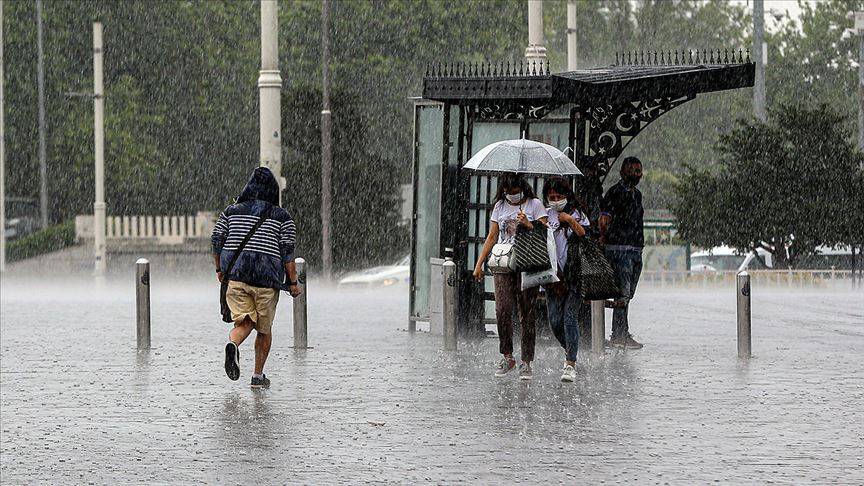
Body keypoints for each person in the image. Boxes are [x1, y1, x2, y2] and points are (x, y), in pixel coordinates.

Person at [211, 167, 301, 389]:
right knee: (264, 329)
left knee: (245, 321)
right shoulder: (282, 217)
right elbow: (287, 252)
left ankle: (233, 343)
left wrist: (220, 269)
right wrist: (293, 282)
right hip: (267, 281)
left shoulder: (231, 212)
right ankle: (258, 377)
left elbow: (216, 240)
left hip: (237, 277)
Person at [472, 172, 548, 381]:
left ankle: (526, 360)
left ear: (521, 188)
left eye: (514, 191)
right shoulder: (499, 206)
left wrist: (529, 224)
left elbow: (545, 233)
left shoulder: (534, 205)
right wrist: (479, 263)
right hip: (504, 263)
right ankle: (507, 356)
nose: (511, 195)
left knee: (526, 312)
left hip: (527, 263)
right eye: (507, 191)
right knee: (502, 309)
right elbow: (492, 235)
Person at [542, 177, 590, 382]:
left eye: (558, 196)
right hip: (554, 276)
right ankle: (571, 348)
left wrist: (569, 220)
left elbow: (584, 233)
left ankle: (570, 363)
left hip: (574, 275)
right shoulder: (545, 214)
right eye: (551, 197)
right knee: (554, 320)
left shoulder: (577, 213)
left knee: (569, 318)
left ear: (566, 195)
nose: (555, 200)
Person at [600, 156, 645, 349]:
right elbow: (604, 220)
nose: (636, 174)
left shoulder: (637, 195)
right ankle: (619, 334)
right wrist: (605, 238)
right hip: (619, 250)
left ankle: (621, 331)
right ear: (622, 172)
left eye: (638, 170)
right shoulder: (614, 193)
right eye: (632, 170)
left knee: (628, 294)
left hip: (635, 250)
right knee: (622, 293)